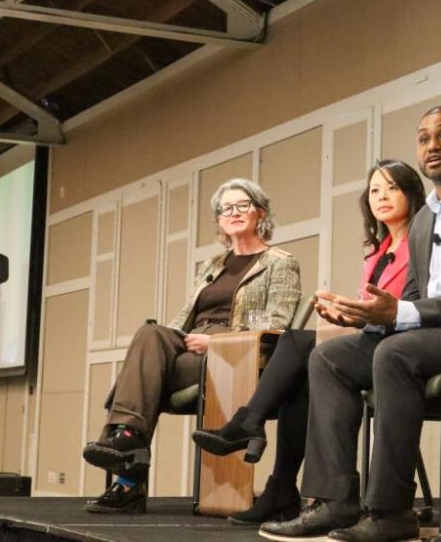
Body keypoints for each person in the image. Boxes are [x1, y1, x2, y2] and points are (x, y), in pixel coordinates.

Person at [260, 106, 441, 542]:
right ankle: (334, 501)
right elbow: (409, 299)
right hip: (434, 337)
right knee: (330, 356)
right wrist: (364, 316)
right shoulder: (427, 216)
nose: (432, 145)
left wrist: (400, 315)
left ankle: (391, 512)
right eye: (424, 138)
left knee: (397, 351)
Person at [191, 160, 425, 524]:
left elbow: (410, 304)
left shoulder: (423, 243)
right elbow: (371, 310)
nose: (382, 197)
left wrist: (362, 317)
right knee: (303, 373)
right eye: (375, 190)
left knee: (298, 342)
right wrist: (344, 314)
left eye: (392, 188)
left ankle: (251, 427)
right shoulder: (376, 252)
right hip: (372, 340)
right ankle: (281, 487)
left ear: (411, 193)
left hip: (405, 345)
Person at [81, 179, 301, 514]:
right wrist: (173, 343)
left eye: (243, 205)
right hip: (192, 344)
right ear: (219, 220)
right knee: (150, 335)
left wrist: (216, 343)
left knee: (142, 379)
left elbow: (277, 325)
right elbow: (181, 320)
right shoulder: (213, 265)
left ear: (260, 212)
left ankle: (128, 473)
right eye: (226, 208)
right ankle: (128, 438)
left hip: (236, 353)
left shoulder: (279, 262)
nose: (234, 213)